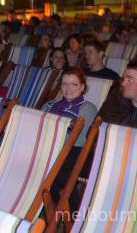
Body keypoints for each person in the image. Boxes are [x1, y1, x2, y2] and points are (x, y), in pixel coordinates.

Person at [42, 66, 97, 212]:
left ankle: (73, 215)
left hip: (78, 154)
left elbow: (78, 139)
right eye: (64, 83)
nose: (68, 88)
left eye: (74, 84)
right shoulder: (49, 105)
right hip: (51, 150)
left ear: (82, 86)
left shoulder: (88, 108)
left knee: (57, 165)